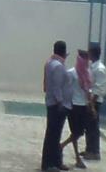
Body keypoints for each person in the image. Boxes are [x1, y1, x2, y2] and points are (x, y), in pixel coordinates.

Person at [41, 40, 71, 172]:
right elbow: (57, 87)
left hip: (52, 103)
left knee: (53, 135)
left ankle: (55, 162)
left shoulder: (50, 62)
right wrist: (60, 103)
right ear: (64, 51)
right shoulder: (58, 66)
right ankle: (49, 164)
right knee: (53, 135)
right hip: (57, 105)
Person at [60, 50, 91, 169]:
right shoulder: (71, 73)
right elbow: (66, 89)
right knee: (77, 132)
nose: (86, 61)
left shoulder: (87, 73)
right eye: (84, 58)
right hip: (74, 106)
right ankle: (76, 157)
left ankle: (62, 146)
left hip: (83, 106)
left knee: (78, 133)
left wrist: (91, 106)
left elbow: (88, 90)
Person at [82, 45, 106, 160]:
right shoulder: (92, 67)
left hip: (95, 102)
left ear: (93, 53)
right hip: (90, 100)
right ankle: (89, 149)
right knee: (88, 126)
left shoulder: (100, 69)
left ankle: (95, 152)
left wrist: (91, 104)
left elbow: (99, 88)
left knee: (93, 127)